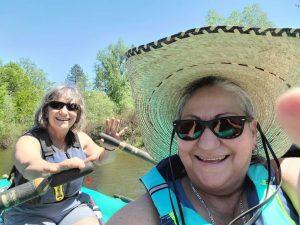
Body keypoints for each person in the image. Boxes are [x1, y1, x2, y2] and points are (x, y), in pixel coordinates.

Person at [107, 26, 300, 225]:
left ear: (253, 133)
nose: (207, 144)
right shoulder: (142, 216)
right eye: (189, 127)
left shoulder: (286, 177)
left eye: (227, 124)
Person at [2, 85, 127, 225]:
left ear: (78, 113)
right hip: (29, 211)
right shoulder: (29, 140)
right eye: (57, 105)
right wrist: (57, 168)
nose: (64, 112)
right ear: (45, 111)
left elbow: (101, 158)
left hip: (71, 206)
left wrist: (109, 149)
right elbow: (29, 168)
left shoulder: (80, 138)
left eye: (72, 107)